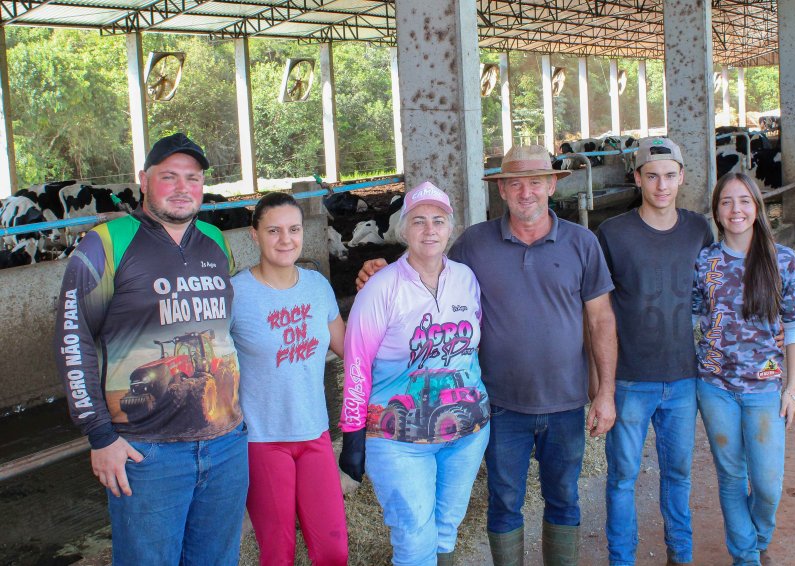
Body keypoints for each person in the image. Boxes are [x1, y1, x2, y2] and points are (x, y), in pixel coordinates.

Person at [356, 146, 618, 565]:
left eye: (535, 181)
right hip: (499, 404)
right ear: (502, 190)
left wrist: (605, 393)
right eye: (514, 183)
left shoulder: (582, 242)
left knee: (564, 497)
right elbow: (427, 267)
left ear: (552, 184)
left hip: (567, 399)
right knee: (505, 501)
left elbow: (602, 320)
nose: (526, 192)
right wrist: (379, 270)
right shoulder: (475, 244)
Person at [53, 133, 248, 566]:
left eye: (193, 178)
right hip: (147, 453)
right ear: (143, 180)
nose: (183, 188)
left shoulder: (216, 242)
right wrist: (100, 435)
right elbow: (73, 339)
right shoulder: (103, 245)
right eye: (169, 177)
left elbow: (230, 326)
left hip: (226, 446)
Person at [339, 181, 490, 566]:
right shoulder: (381, 287)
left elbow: (473, 351)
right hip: (398, 436)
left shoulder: (465, 279)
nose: (429, 230)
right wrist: (353, 437)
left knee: (446, 527)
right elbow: (356, 364)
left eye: (438, 221)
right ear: (403, 230)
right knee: (413, 535)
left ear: (450, 228)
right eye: (418, 221)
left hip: (466, 432)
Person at [596, 137, 713, 566]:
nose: (661, 185)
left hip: (684, 376)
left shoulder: (699, 229)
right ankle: (621, 559)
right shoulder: (612, 233)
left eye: (669, 175)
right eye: (651, 176)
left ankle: (680, 556)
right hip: (629, 379)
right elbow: (597, 311)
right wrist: (600, 385)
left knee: (678, 474)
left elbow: (715, 294)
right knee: (623, 476)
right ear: (637, 178)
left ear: (681, 176)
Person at [693, 172, 795, 566]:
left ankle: (759, 537)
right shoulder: (705, 260)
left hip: (764, 389)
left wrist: (790, 390)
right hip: (715, 387)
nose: (735, 209)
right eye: (726, 202)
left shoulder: (783, 259)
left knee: (767, 483)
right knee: (730, 475)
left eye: (743, 201)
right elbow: (694, 316)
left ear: (756, 207)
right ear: (717, 212)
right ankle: (745, 557)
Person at [230, 192, 348, 565]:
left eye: (294, 229)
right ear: (255, 235)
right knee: (278, 553)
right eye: (274, 230)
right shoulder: (235, 293)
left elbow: (350, 348)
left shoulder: (317, 286)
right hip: (264, 440)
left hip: (314, 434)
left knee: (332, 550)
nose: (286, 240)